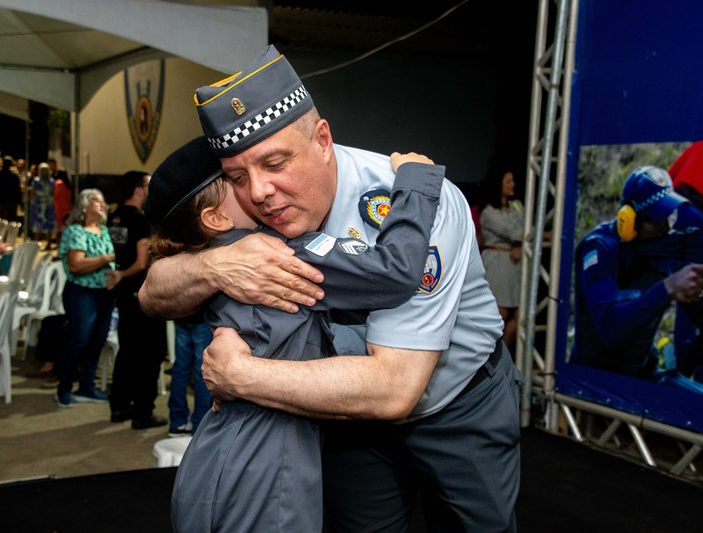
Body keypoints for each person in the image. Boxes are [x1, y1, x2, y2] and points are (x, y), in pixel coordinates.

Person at [139, 45, 521, 531]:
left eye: (275, 163)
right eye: (237, 176)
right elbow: (152, 293)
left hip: (459, 405)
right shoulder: (257, 221)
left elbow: (395, 389)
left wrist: (240, 376)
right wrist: (214, 266)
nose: (258, 192)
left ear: (322, 140)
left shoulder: (416, 202)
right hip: (341, 415)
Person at [144, 136, 443, 532]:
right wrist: (416, 181)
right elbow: (395, 272)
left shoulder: (213, 258)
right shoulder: (274, 255)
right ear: (215, 218)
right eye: (235, 180)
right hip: (264, 462)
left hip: (220, 452)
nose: (257, 190)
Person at [571, 166, 703, 389]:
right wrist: (667, 289)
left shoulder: (666, 248)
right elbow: (611, 329)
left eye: (669, 216)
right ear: (628, 221)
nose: (666, 226)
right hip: (594, 380)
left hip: (644, 375)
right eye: (657, 219)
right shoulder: (599, 249)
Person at [106, 170, 168, 430]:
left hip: (121, 293)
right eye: (148, 184)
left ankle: (119, 405)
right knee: (151, 352)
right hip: (140, 293)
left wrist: (118, 273)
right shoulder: (139, 220)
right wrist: (124, 273)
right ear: (138, 189)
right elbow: (141, 262)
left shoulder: (114, 217)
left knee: (127, 349)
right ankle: (143, 412)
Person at [55, 188, 115, 408]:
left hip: (105, 292)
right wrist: (108, 257)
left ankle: (87, 387)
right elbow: (76, 264)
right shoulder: (75, 231)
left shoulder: (105, 231)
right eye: (96, 201)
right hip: (82, 292)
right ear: (84, 205)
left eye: (103, 201)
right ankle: (64, 388)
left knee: (97, 340)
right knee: (79, 340)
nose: (103, 205)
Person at [480, 166, 525, 351]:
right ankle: (489, 356)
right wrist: (540, 235)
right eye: (508, 181)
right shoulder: (489, 212)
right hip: (497, 262)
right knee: (501, 313)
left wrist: (520, 244)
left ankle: (502, 355)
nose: (512, 184)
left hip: (515, 266)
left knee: (519, 316)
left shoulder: (517, 206)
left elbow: (523, 228)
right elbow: (513, 231)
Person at [669, 139, 703, 217]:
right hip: (702, 210)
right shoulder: (700, 143)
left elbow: (669, 176)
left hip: (675, 197)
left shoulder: (700, 143)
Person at [28, 162, 56, 243]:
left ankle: (37, 242)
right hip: (48, 204)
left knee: (37, 223)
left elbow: (33, 192)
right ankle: (48, 243)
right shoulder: (51, 181)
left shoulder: (36, 180)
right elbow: (53, 192)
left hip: (38, 204)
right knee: (48, 223)